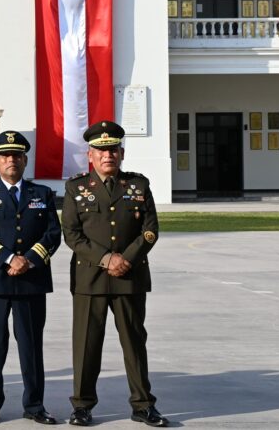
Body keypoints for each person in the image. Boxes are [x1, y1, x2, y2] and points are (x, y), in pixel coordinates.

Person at [62, 121, 168, 428]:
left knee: (134, 342)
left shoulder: (138, 185)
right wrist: (106, 258)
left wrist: (126, 259)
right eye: (101, 150)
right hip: (90, 279)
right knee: (86, 344)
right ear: (90, 155)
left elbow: (150, 231)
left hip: (129, 277)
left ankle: (143, 404)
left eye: (113, 150)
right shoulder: (76, 188)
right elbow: (71, 234)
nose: (108, 155)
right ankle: (82, 406)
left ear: (121, 153)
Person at [0, 131, 61, 425]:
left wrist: (28, 260)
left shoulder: (42, 194)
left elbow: (53, 234)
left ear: (25, 160)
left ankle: (34, 405)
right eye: (5, 156)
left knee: (31, 346)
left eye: (17, 156)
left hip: (31, 280)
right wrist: (9, 258)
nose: (12, 160)